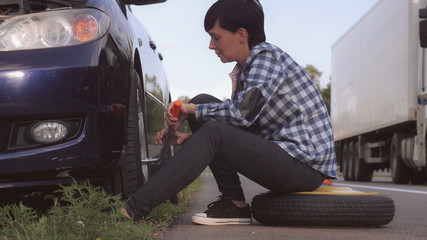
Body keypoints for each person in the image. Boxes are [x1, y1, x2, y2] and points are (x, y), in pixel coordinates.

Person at [122, 0, 337, 225]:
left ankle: (135, 208)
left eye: (216, 37)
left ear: (241, 34)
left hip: (305, 166)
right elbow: (243, 127)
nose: (211, 45)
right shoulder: (247, 70)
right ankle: (234, 204)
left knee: (202, 113)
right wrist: (192, 139)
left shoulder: (265, 57)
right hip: (286, 156)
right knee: (202, 103)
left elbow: (241, 115)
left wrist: (191, 110)